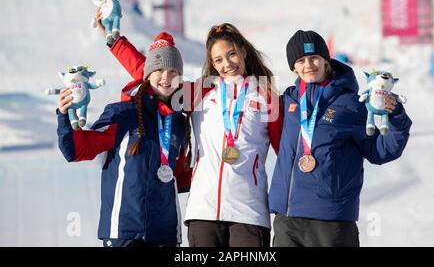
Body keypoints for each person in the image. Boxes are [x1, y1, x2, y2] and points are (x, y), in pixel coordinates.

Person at [94, 14, 283, 246]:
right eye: (218, 60)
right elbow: (154, 75)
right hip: (203, 211)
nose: (227, 64)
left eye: (231, 54)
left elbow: (286, 152)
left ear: (243, 51)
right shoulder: (202, 92)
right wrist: (115, 42)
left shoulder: (266, 97)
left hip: (249, 211)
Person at [268, 30, 412, 247]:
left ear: (326, 60)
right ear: (293, 68)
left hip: (332, 221)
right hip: (288, 220)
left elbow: (380, 150)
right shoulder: (289, 100)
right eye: (301, 60)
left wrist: (396, 119)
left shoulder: (352, 104)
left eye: (315, 57)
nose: (309, 64)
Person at [56, 32, 192, 247]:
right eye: (158, 69)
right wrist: (66, 116)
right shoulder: (122, 114)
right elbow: (77, 150)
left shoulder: (178, 123)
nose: (166, 77)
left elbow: (176, 177)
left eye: (173, 71)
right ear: (147, 74)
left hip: (166, 233)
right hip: (124, 231)